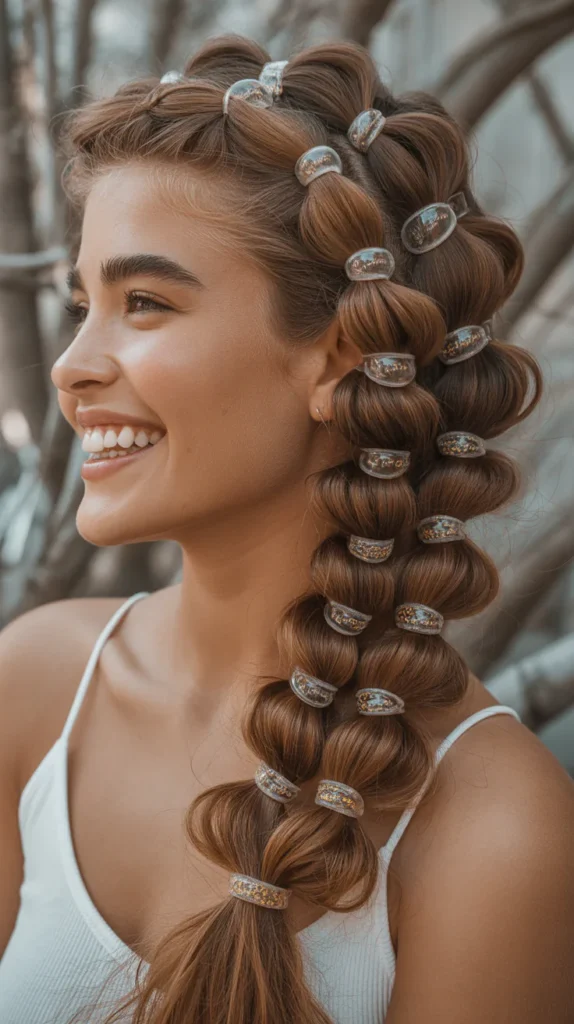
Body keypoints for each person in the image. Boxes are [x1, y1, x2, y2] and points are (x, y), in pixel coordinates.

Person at [0, 34, 573, 1024]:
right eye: (82, 302)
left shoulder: (492, 825)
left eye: (144, 302)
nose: (74, 364)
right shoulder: (36, 688)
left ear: (339, 358)